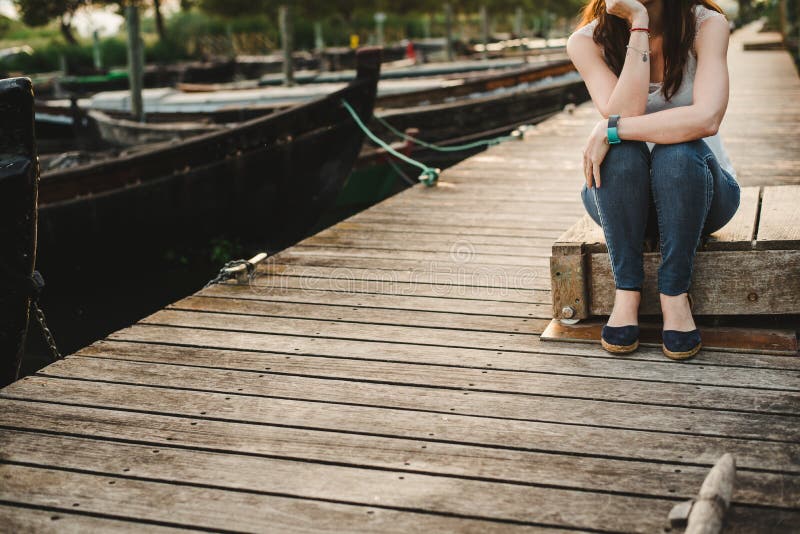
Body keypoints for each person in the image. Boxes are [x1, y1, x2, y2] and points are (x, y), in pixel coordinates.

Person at [566, 0, 740, 360]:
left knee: (674, 152)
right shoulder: (586, 41)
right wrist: (639, 24)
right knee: (620, 152)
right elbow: (624, 110)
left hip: (701, 195)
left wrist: (611, 128)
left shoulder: (708, 26)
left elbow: (707, 119)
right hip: (623, 202)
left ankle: (674, 294)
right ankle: (626, 292)